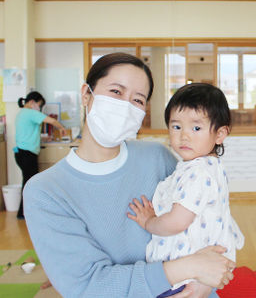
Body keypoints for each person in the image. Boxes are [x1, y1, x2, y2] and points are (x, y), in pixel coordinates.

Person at [23, 53, 235, 298]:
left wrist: (206, 281)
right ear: (86, 94)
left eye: (137, 99)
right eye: (116, 92)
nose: (125, 105)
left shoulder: (157, 157)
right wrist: (189, 267)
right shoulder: (46, 191)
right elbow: (88, 287)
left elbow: (211, 211)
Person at [127, 83, 244, 296]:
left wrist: (148, 221)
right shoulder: (210, 166)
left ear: (220, 134)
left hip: (182, 278)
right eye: (176, 126)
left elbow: (177, 222)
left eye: (196, 128)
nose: (184, 136)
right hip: (197, 274)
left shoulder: (197, 172)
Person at [14, 91, 66, 219]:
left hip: (21, 153)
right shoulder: (31, 113)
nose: (39, 108)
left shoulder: (21, 113)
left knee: (28, 182)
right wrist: (62, 128)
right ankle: (24, 213)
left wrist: (43, 139)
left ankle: (25, 212)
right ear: (32, 102)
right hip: (27, 154)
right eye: (39, 105)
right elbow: (51, 121)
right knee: (30, 184)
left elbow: (28, 133)